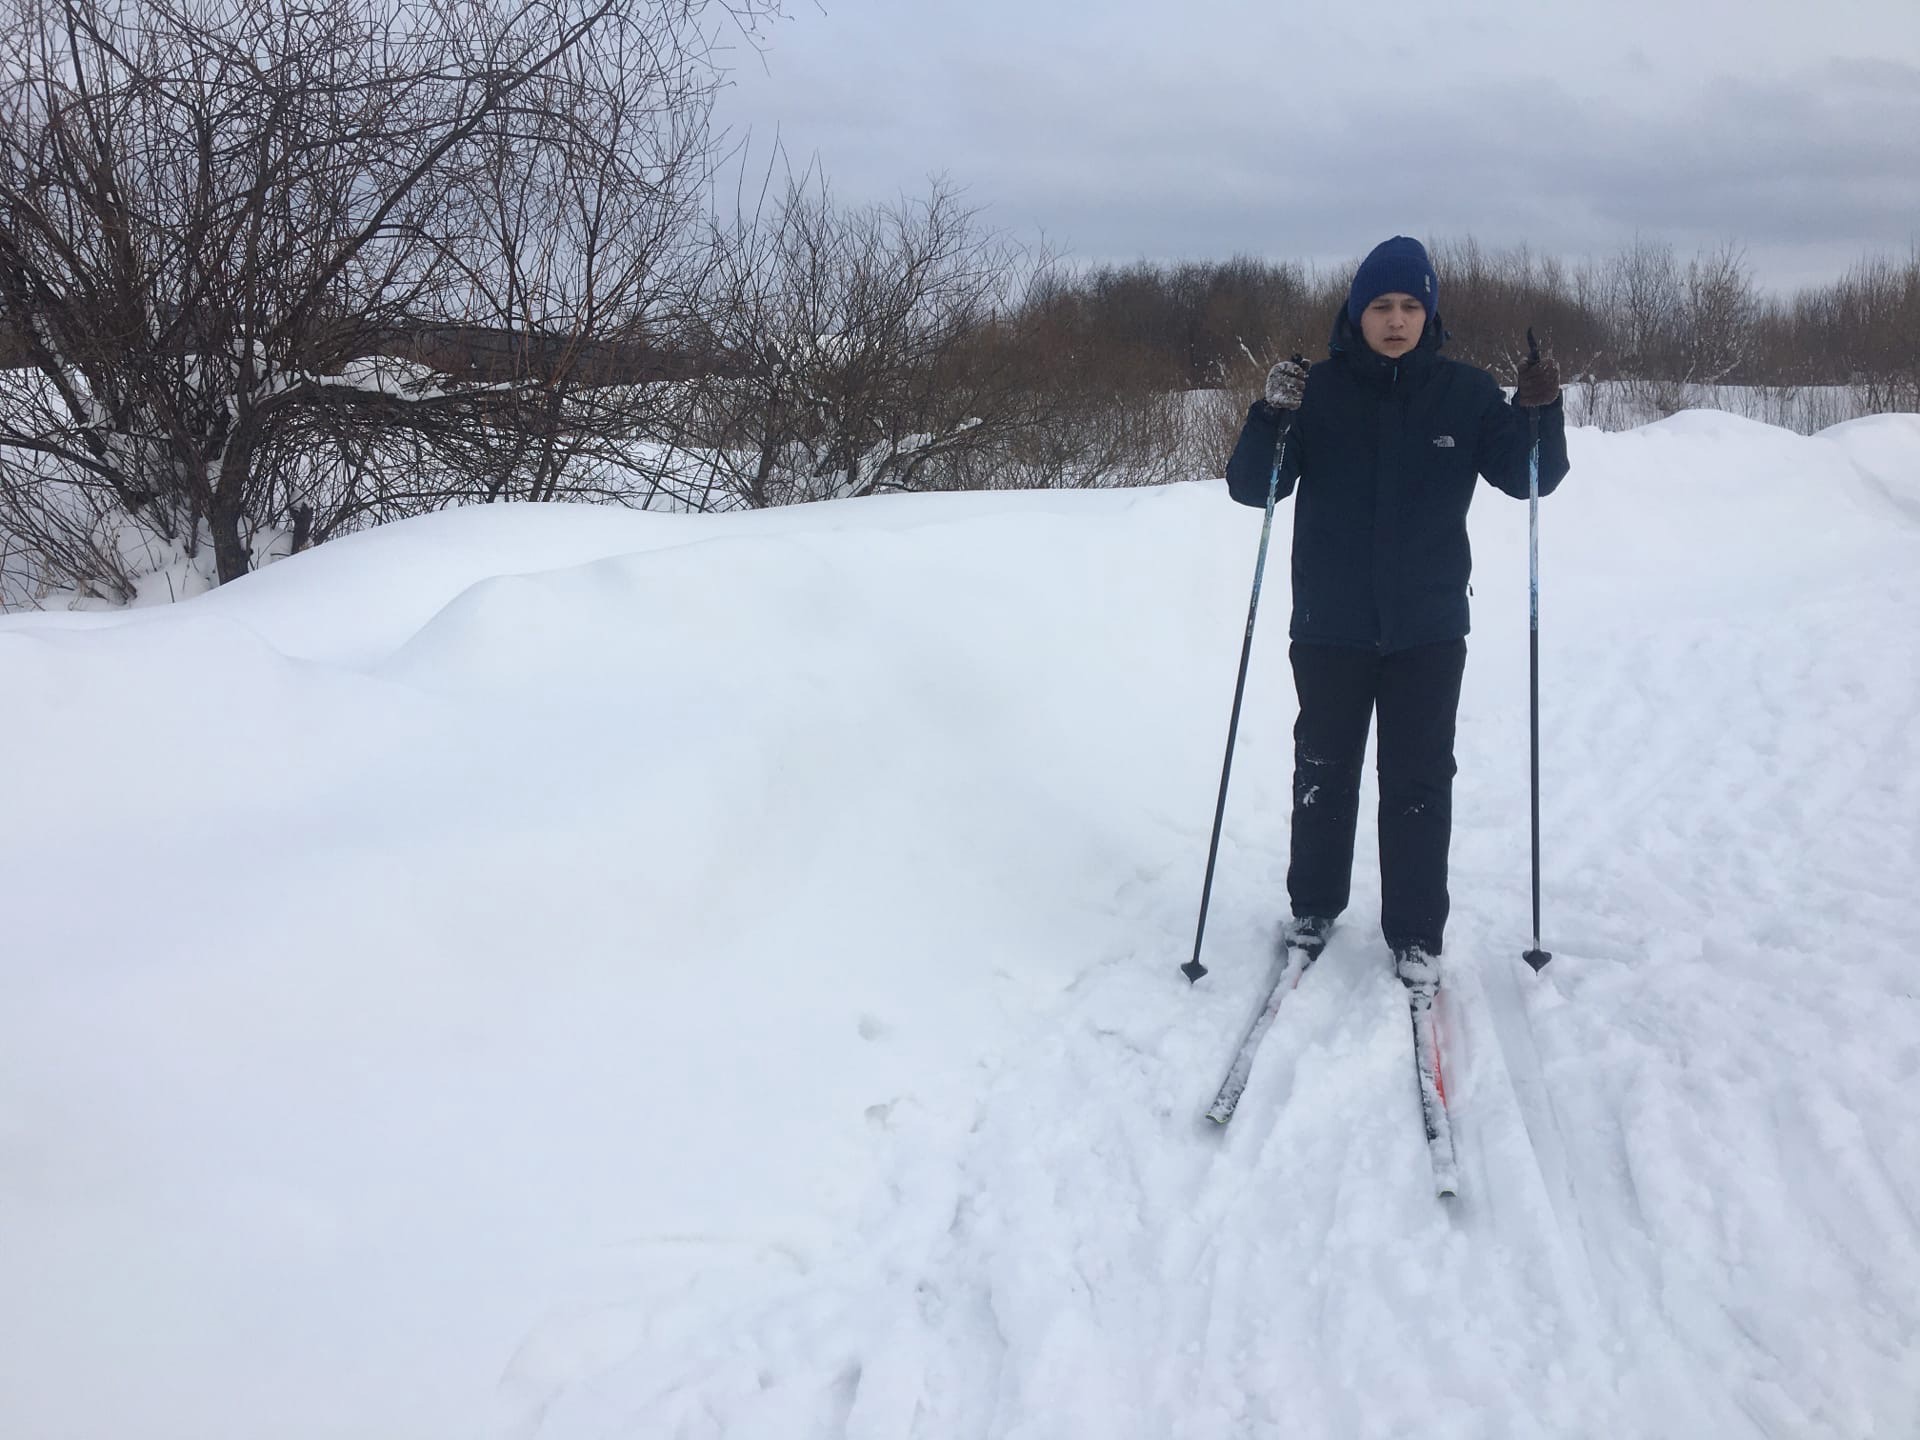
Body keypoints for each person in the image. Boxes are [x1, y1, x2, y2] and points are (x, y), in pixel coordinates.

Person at [1224, 235, 1568, 987]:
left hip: (1428, 628)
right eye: (1381, 305)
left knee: (1418, 781)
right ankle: (1312, 907)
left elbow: (1528, 477)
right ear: (1357, 311)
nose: (1396, 318)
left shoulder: (1466, 394)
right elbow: (1255, 488)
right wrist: (1268, 415)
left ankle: (1415, 932)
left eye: (1411, 305)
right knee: (1323, 768)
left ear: (1429, 312)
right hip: (1330, 623)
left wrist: (1542, 410)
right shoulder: (1316, 391)